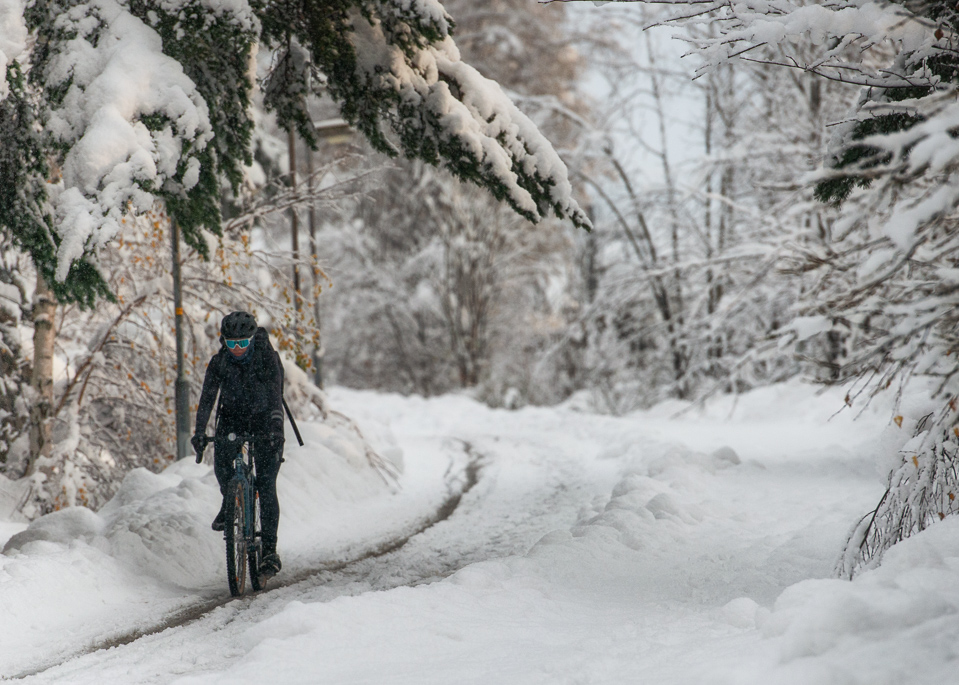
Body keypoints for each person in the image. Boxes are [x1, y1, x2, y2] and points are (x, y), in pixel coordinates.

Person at [192, 311, 285, 577]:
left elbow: (276, 396)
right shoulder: (220, 362)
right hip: (232, 419)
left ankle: (269, 551)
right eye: (231, 344)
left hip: (266, 420)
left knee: (266, 483)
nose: (237, 350)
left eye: (242, 344)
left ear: (252, 338)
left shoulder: (268, 358)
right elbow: (207, 398)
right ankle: (230, 501)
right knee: (222, 466)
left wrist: (276, 431)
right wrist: (199, 432)